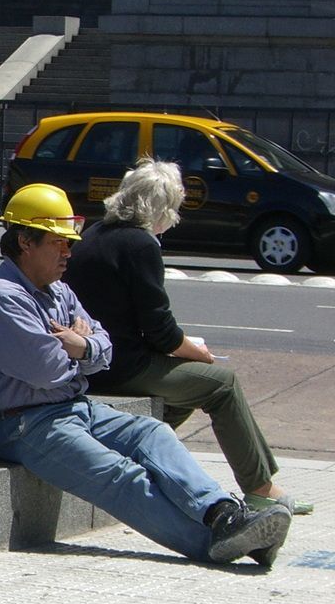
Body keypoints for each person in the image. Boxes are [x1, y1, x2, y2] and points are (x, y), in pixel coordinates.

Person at [0, 183, 291, 567]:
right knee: (121, 475)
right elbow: (46, 371)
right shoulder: (2, 297)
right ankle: (217, 543)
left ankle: (223, 514)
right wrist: (82, 351)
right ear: (24, 242)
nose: (68, 252)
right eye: (58, 242)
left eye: (69, 243)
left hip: (70, 407)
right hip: (22, 424)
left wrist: (81, 347)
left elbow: (106, 347)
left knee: (152, 433)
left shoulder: (58, 291)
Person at [63, 158, 313, 516]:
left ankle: (135, 451)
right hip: (121, 365)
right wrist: (197, 352)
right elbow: (160, 329)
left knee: (189, 391)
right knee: (221, 384)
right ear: (162, 208)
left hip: (94, 358)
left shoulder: (95, 234)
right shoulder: (141, 244)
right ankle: (261, 488)